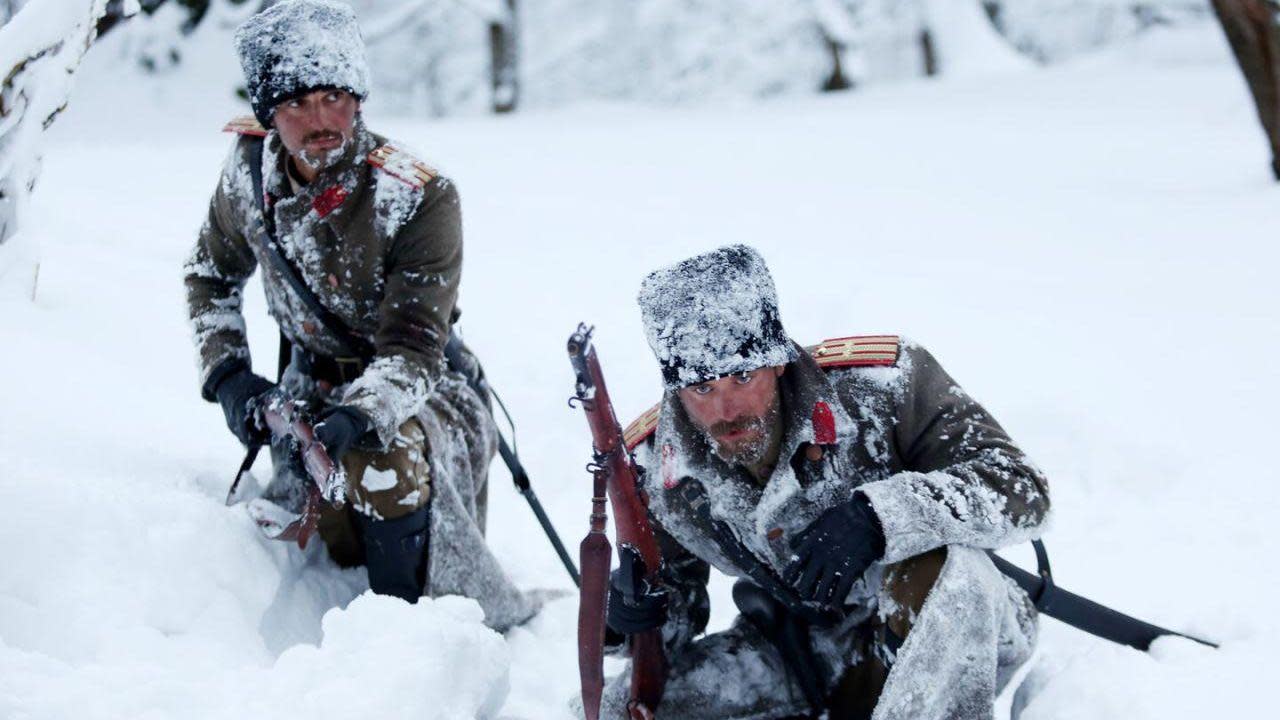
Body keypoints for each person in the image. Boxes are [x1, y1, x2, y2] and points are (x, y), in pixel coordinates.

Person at [184, 0, 532, 630]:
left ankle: (401, 631)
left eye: (335, 97)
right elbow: (209, 274)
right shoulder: (246, 174)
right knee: (323, 522)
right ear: (268, 113)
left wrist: (358, 417)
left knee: (381, 459)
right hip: (307, 385)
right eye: (296, 103)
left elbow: (414, 349)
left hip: (422, 390)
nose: (322, 120)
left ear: (359, 98)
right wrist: (230, 376)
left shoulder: (416, 195)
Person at [602, 244, 1049, 719]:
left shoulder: (884, 387)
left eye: (742, 377)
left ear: (776, 360)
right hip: (805, 650)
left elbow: (1020, 487)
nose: (726, 410)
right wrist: (629, 617)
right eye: (703, 388)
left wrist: (880, 517)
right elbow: (677, 605)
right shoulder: (658, 468)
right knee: (626, 710)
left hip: (953, 625)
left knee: (946, 568)